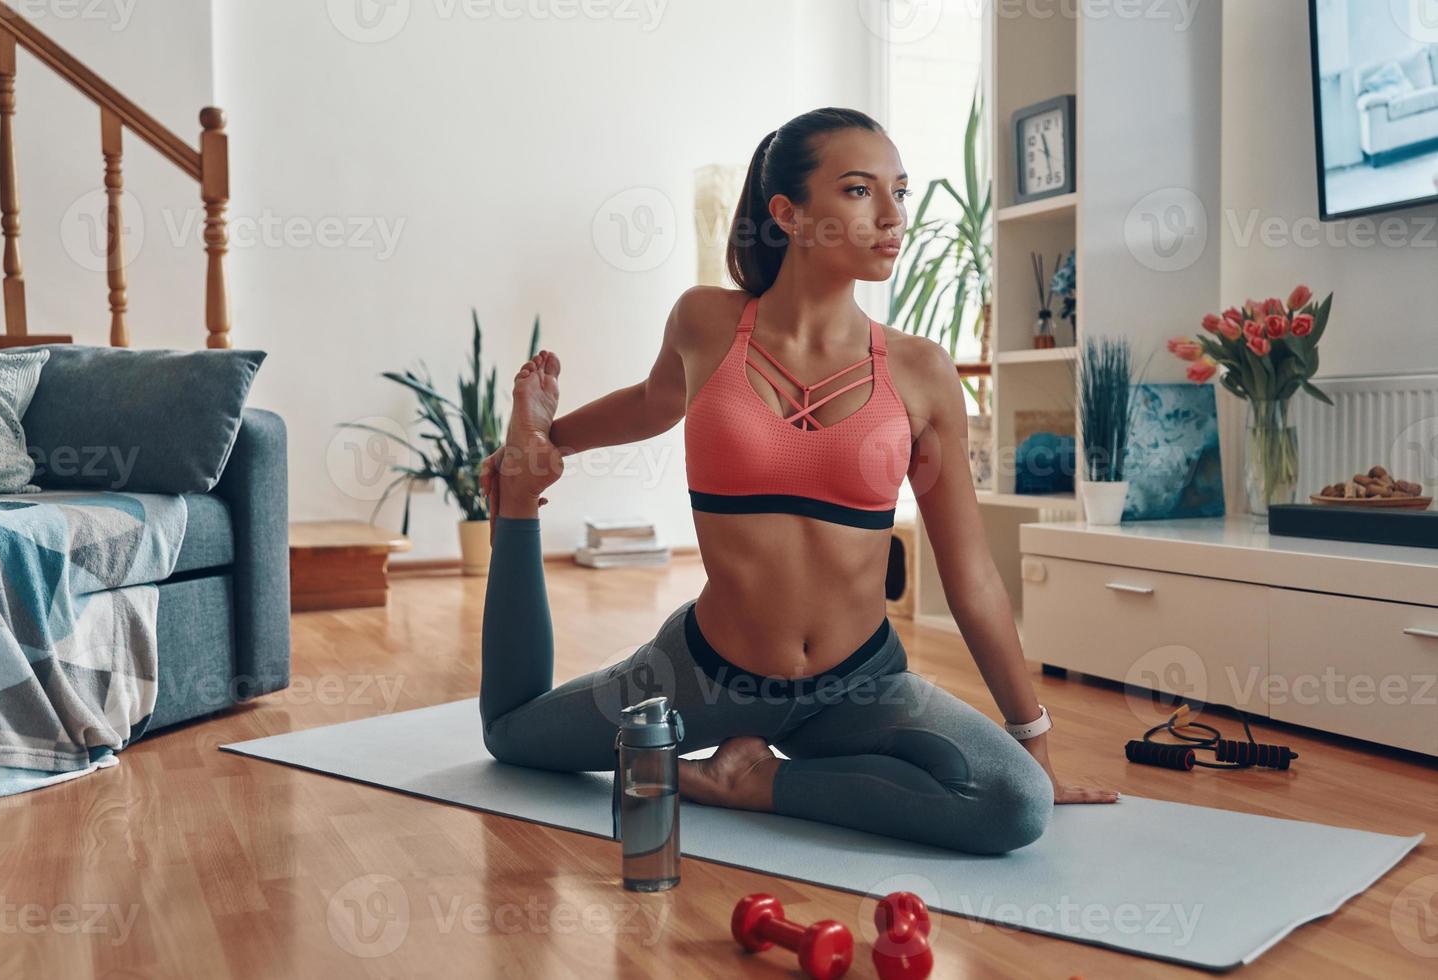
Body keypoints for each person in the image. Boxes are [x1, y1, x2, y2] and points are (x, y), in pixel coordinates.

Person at [477, 107, 1116, 856]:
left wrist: (1031, 740)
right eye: (857, 191)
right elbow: (654, 405)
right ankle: (516, 502)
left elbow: (971, 576)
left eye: (900, 192)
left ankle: (755, 783)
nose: (891, 215)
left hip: (860, 686)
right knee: (513, 737)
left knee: (1014, 806)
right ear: (787, 212)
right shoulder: (707, 323)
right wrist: (543, 448)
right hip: (704, 676)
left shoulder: (921, 373)